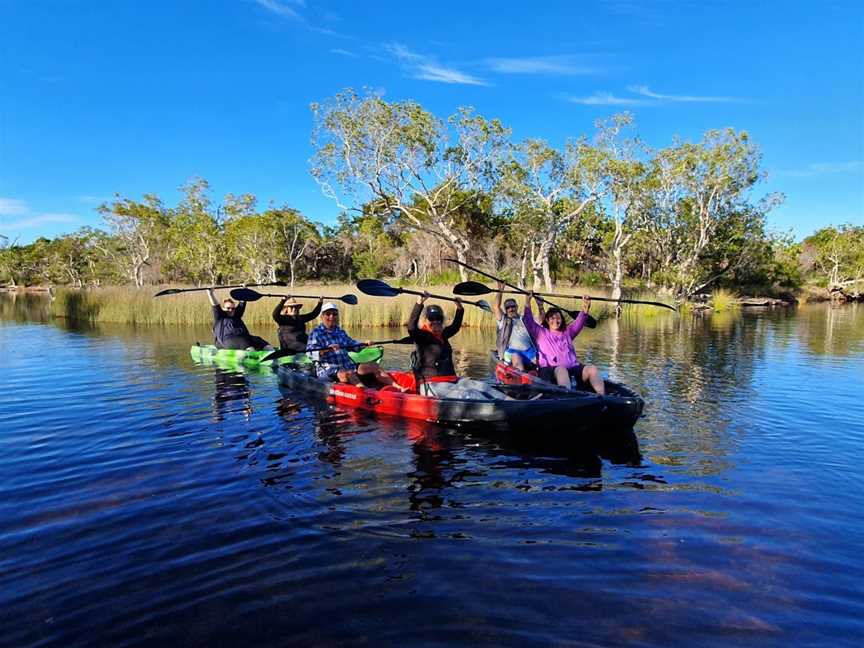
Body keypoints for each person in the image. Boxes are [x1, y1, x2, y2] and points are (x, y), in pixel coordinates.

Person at [406, 292, 508, 400]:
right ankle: (500, 409)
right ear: (425, 320)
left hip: (451, 379)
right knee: (467, 394)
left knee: (483, 386)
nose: (436, 321)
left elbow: (455, 327)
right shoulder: (421, 336)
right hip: (430, 384)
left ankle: (511, 402)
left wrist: (459, 308)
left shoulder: (443, 335)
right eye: (431, 318)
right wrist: (419, 303)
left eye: (438, 318)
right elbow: (411, 327)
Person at [307, 302, 407, 390]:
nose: (331, 317)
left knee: (374, 365)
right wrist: (326, 350)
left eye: (334, 314)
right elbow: (310, 354)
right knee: (349, 373)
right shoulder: (315, 333)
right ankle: (368, 393)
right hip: (328, 370)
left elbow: (352, 345)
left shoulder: (340, 331)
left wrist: (364, 344)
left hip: (347, 365)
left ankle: (398, 388)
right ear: (322, 317)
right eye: (328, 314)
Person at [522, 292, 605, 395]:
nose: (555, 320)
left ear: (562, 320)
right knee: (561, 370)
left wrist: (586, 306)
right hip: (550, 372)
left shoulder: (568, 332)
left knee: (592, 369)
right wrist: (527, 302)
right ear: (547, 320)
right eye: (552, 318)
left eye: (558, 318)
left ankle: (603, 397)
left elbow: (580, 321)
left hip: (573, 369)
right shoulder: (541, 332)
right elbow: (528, 320)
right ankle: (568, 397)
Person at [207, 288, 273, 351]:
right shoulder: (220, 316)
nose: (231, 310)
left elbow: (242, 300)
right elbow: (215, 304)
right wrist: (210, 294)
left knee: (259, 340)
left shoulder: (237, 314)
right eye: (228, 308)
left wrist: (244, 289)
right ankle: (252, 354)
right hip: (227, 339)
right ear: (223, 308)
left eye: (233, 308)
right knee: (246, 343)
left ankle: (272, 352)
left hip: (245, 337)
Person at [495, 281, 540, 370]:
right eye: (508, 307)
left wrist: (540, 306)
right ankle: (521, 376)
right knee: (517, 359)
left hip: (528, 351)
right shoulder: (503, 320)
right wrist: (500, 290)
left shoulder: (525, 318)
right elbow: (496, 307)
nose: (510, 309)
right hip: (512, 351)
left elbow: (540, 320)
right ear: (505, 309)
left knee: (539, 363)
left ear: (517, 307)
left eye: (513, 306)